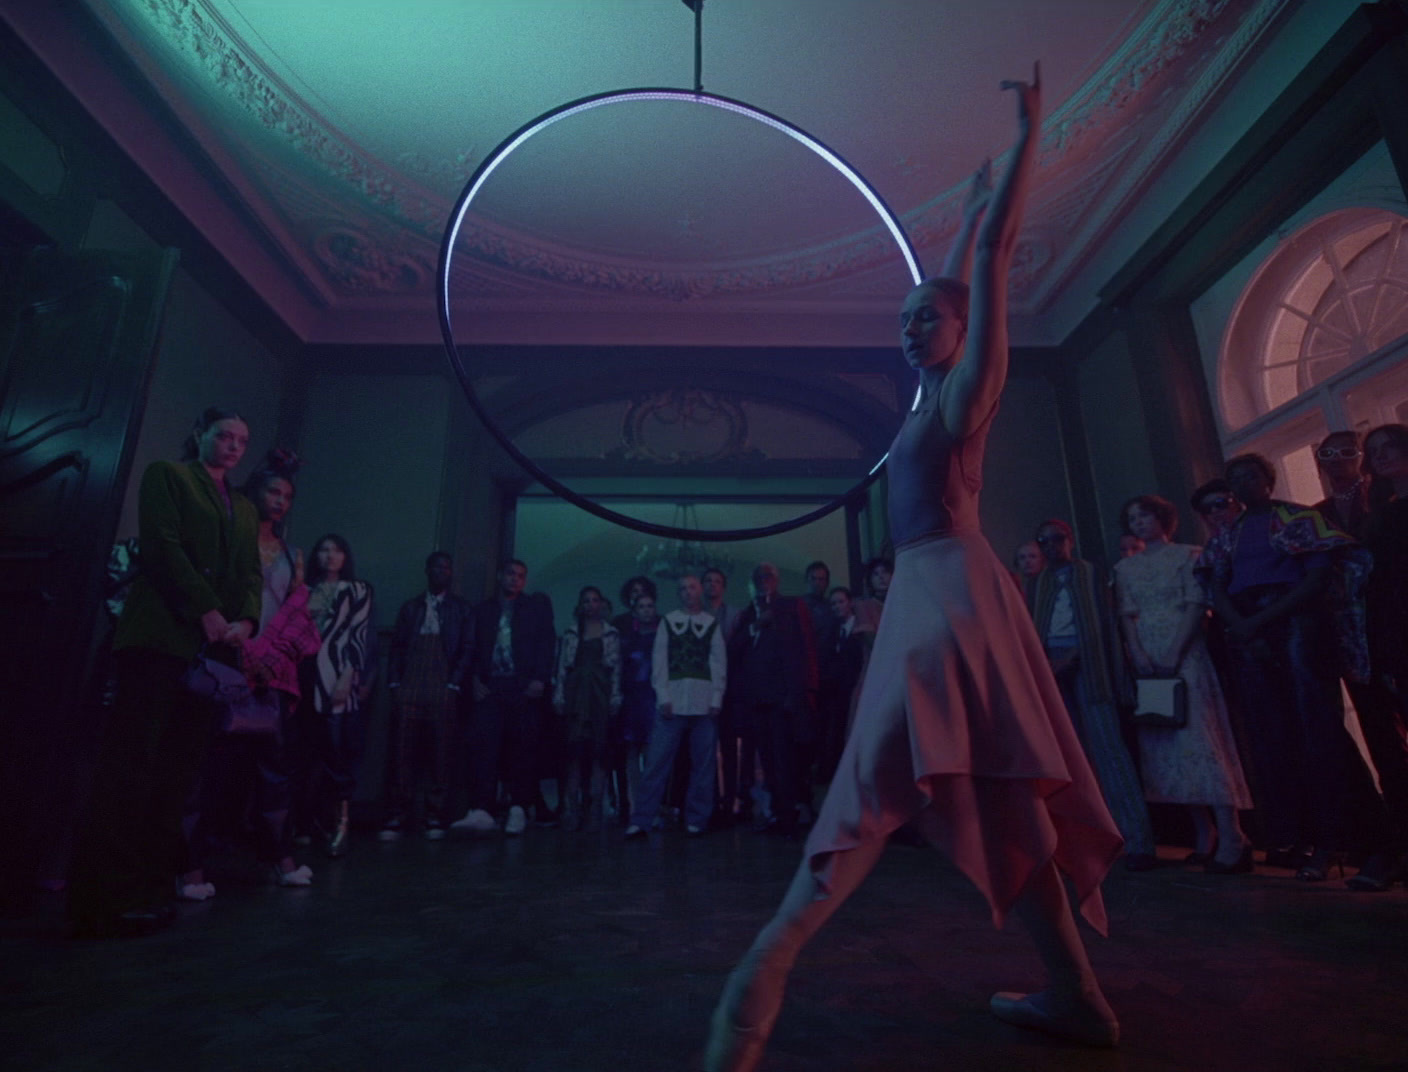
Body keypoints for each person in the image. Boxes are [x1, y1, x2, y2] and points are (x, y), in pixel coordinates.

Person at [706, 71, 1124, 1071]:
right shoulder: (924, 398)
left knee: (871, 785)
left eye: (923, 321)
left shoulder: (964, 398)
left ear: (961, 332)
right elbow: (948, 280)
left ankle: (760, 977)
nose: (907, 328)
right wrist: (966, 214)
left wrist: (1025, 143)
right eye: (899, 320)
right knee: (1003, 800)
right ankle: (1077, 996)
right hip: (933, 599)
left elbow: (987, 266)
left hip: (949, 601)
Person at [67, 407, 262, 937]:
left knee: (177, 773)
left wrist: (245, 618)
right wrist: (205, 607)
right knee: (131, 764)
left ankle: (148, 889)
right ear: (200, 434)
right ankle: (100, 899)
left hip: (210, 654)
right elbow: (162, 546)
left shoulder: (242, 507)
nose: (234, 447)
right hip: (160, 639)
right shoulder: (169, 477)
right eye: (225, 436)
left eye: (243, 441)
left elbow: (249, 573)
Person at [1197, 453, 1368, 880]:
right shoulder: (1228, 534)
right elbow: (1216, 585)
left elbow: (1315, 578)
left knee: (1319, 729)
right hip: (1250, 633)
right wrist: (1241, 626)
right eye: (1235, 477)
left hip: (1295, 624)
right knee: (1276, 735)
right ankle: (1304, 838)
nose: (1243, 482)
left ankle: (1351, 840)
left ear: (1269, 480)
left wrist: (1259, 621)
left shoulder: (1297, 518)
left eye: (1252, 474)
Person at [183, 449, 320, 896]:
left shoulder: (291, 553)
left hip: (272, 670)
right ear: (253, 492)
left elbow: (298, 612)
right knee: (206, 767)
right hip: (225, 658)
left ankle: (281, 859)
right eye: (273, 491)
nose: (280, 501)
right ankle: (190, 868)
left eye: (288, 496)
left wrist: (271, 655)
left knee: (275, 768)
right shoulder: (226, 536)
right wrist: (240, 645)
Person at [1113, 495, 1254, 872]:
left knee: (1200, 738)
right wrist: (1137, 654)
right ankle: (1202, 833)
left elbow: (1196, 604)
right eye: (1133, 518)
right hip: (1147, 653)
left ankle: (1232, 835)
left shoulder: (1189, 555)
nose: (1139, 522)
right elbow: (1127, 614)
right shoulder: (1125, 569)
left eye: (1145, 515)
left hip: (1184, 650)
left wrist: (1176, 650)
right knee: (1168, 738)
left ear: (1164, 518)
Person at [1026, 518, 1156, 869]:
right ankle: (1085, 839)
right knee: (1069, 756)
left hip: (1091, 668)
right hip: (1052, 669)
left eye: (1057, 540)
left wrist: (1072, 656)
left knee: (1108, 750)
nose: (1052, 547)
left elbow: (1102, 624)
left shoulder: (1091, 575)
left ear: (1069, 540)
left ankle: (1137, 839)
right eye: (1045, 541)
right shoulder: (1040, 584)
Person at [455, 560, 556, 836]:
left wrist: (540, 678)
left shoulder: (533, 608)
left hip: (522, 685)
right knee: (484, 746)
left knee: (523, 747)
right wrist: (475, 678)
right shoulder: (484, 610)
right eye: (511, 574)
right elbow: (472, 647)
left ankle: (518, 808)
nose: (515, 580)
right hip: (492, 685)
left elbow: (546, 643)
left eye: (521, 576)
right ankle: (482, 809)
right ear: (500, 576)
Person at [1349, 424, 1408, 889]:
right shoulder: (1381, 514)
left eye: (1391, 447)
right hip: (1394, 636)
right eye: (1375, 451)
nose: (1383, 456)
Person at [381, 552, 474, 841]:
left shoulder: (461, 609)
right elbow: (397, 647)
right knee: (401, 750)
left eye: (446, 568)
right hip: (410, 681)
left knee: (440, 752)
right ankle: (398, 813)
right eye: (437, 567)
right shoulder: (411, 607)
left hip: (442, 683)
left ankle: (435, 815)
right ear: (427, 570)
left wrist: (454, 684)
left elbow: (468, 648)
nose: (441, 572)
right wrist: (395, 683)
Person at [626, 575, 726, 838]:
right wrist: (663, 697)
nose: (688, 592)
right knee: (656, 763)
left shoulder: (711, 624)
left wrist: (716, 699)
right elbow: (659, 662)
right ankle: (642, 818)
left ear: (699, 591)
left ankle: (697, 818)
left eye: (692, 586)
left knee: (703, 766)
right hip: (672, 704)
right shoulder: (668, 622)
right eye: (683, 588)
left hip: (704, 705)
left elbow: (718, 663)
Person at [296, 533, 375, 858]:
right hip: (302, 673)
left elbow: (359, 634)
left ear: (345, 556)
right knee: (301, 751)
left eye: (337, 550)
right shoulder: (305, 590)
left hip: (336, 675)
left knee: (337, 752)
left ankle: (341, 822)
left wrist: (349, 675)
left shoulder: (357, 589)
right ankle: (303, 821)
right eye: (324, 550)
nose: (329, 556)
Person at [725, 562, 818, 837]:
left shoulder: (790, 607)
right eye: (757, 578)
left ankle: (788, 817)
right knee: (766, 761)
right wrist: (755, 626)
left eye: (767, 577)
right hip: (756, 701)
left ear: (776, 581)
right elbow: (733, 652)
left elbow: (803, 650)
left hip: (782, 699)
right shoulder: (745, 617)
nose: (762, 582)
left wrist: (799, 693)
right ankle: (777, 815)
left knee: (784, 760)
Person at [552, 586, 622, 831]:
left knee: (599, 753)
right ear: (580, 604)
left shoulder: (611, 633)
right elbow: (561, 667)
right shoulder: (571, 633)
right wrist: (559, 695)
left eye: (595, 600)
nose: (591, 605)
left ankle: (595, 810)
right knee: (573, 753)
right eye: (586, 600)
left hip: (600, 694)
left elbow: (616, 670)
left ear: (601, 604)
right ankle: (571, 808)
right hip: (575, 693)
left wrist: (615, 697)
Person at [616, 590, 661, 827]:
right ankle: (635, 806)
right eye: (641, 606)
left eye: (650, 606)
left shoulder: (663, 637)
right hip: (631, 699)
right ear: (634, 611)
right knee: (631, 752)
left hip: (654, 699)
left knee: (654, 755)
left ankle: (653, 807)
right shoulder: (626, 639)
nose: (646, 610)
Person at [801, 561, 832, 639]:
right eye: (813, 578)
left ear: (827, 583)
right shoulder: (795, 605)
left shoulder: (833, 607)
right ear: (806, 580)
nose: (816, 582)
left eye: (821, 579)